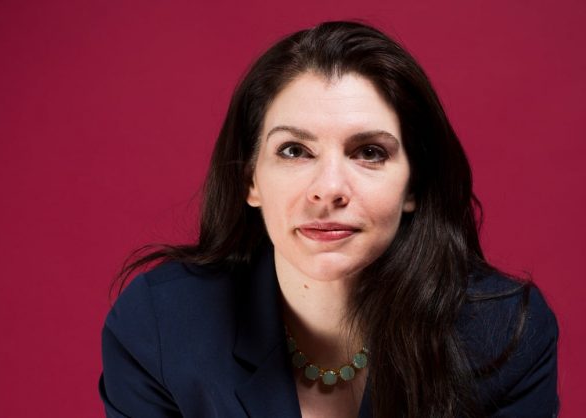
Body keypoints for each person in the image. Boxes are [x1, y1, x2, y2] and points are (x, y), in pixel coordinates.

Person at [99, 21, 559, 418]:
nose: (329, 188)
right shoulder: (159, 326)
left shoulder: (504, 334)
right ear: (250, 180)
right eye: (294, 151)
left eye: (369, 152)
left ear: (413, 187)